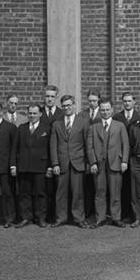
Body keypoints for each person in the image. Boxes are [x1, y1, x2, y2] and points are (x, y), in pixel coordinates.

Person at [86, 98, 129, 228]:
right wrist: (93, 163)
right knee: (100, 192)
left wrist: (124, 161)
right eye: (103, 110)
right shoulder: (93, 127)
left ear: (112, 110)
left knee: (115, 192)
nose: (105, 112)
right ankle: (100, 218)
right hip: (99, 165)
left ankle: (116, 217)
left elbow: (125, 145)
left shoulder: (119, 126)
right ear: (99, 110)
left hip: (115, 162)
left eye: (107, 109)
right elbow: (89, 147)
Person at [50, 95, 89, 228]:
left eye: (69, 105)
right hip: (62, 163)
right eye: (64, 106)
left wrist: (88, 163)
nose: (66, 108)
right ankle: (61, 218)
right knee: (61, 192)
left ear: (74, 105)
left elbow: (87, 144)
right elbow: (53, 145)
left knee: (78, 193)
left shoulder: (83, 122)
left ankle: (78, 218)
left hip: (78, 162)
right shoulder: (56, 124)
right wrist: (55, 163)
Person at [12, 104, 51, 228]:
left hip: (41, 166)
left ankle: (41, 218)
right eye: (30, 113)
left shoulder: (47, 128)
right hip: (24, 166)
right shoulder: (21, 128)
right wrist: (13, 165)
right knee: (24, 193)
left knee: (41, 193)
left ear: (40, 114)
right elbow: (14, 148)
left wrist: (50, 166)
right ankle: (26, 217)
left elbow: (50, 148)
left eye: (35, 113)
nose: (32, 115)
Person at [113, 91, 139, 222]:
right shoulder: (117, 117)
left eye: (129, 101)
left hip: (134, 156)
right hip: (121, 156)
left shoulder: (139, 116)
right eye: (125, 101)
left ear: (134, 102)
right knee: (122, 186)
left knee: (134, 187)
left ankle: (135, 214)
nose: (127, 103)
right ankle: (123, 214)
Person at [77, 88, 102, 221]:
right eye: (90, 100)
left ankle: (100, 212)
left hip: (99, 153)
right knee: (86, 185)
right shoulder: (82, 115)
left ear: (99, 100)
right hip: (85, 153)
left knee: (99, 185)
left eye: (94, 100)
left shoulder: (103, 114)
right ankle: (87, 211)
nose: (92, 103)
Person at [42, 85, 63, 221]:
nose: (49, 99)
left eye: (52, 96)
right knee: (43, 189)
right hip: (42, 157)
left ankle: (58, 215)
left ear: (56, 98)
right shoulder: (38, 113)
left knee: (58, 188)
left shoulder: (61, 114)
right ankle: (44, 216)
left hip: (58, 157)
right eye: (47, 96)